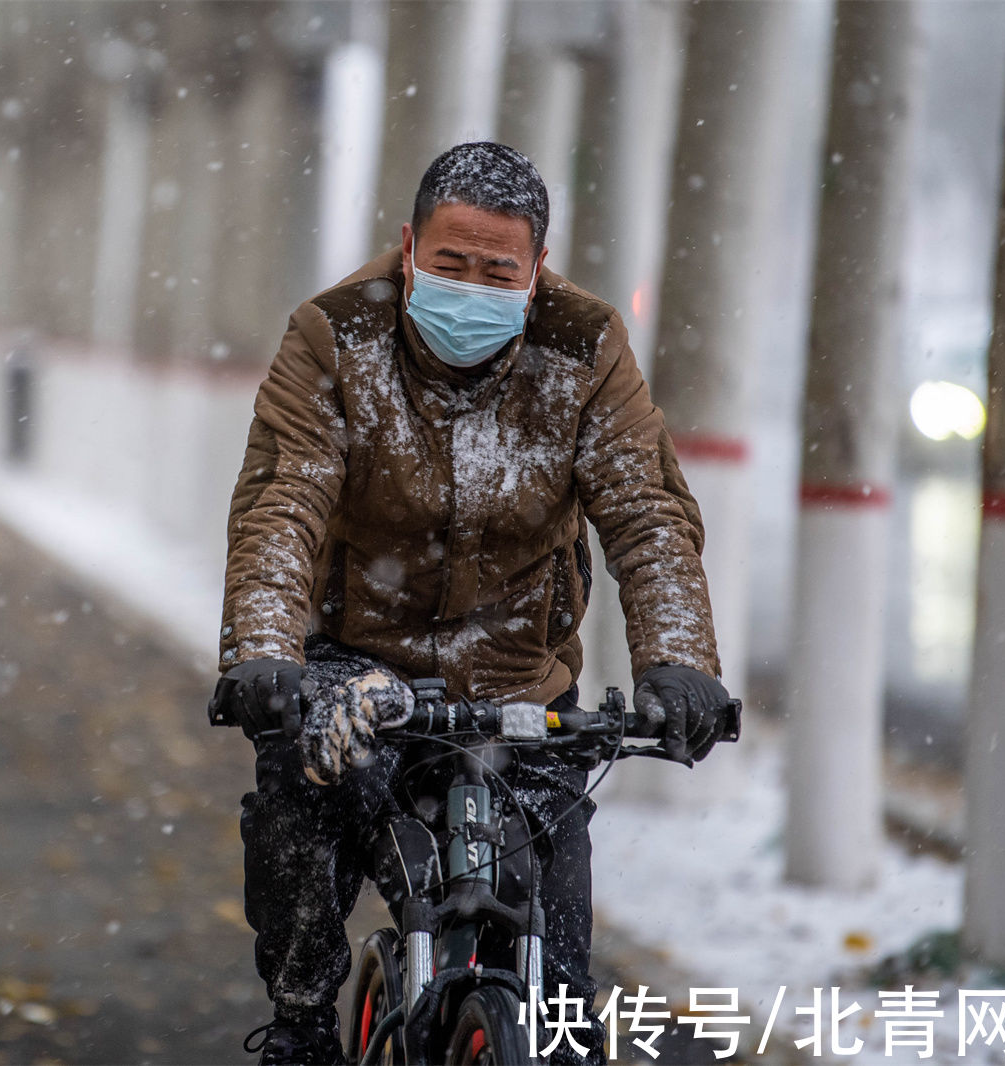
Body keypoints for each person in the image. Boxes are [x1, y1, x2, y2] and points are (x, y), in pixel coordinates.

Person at [210, 143, 734, 1065]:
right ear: (409, 247)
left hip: (520, 688)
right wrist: (262, 650)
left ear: (535, 274)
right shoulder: (334, 336)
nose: (472, 286)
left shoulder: (585, 346)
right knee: (302, 789)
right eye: (451, 263)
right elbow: (282, 500)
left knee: (565, 1010)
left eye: (499, 270)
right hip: (355, 667)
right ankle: (297, 1024)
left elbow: (647, 515)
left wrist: (680, 661)